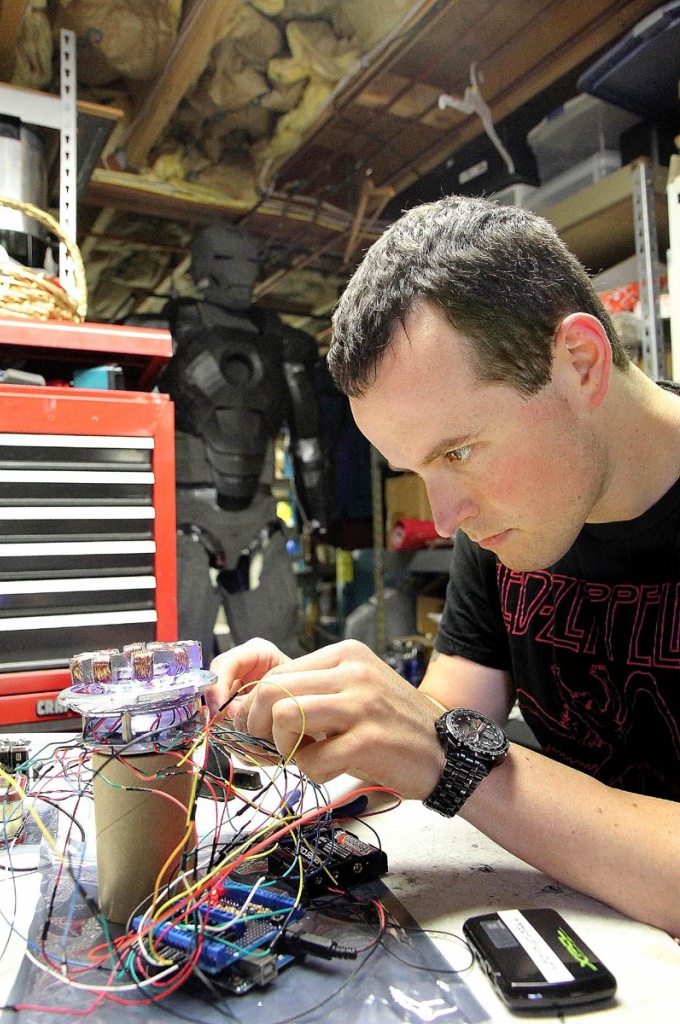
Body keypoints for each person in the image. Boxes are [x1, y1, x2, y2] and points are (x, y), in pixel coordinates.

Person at [208, 195, 680, 938]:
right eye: (419, 470)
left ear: (579, 363)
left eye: (456, 452)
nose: (445, 515)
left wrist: (448, 758)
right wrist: (321, 710)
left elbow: (449, 747)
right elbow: (449, 718)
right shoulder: (501, 517)